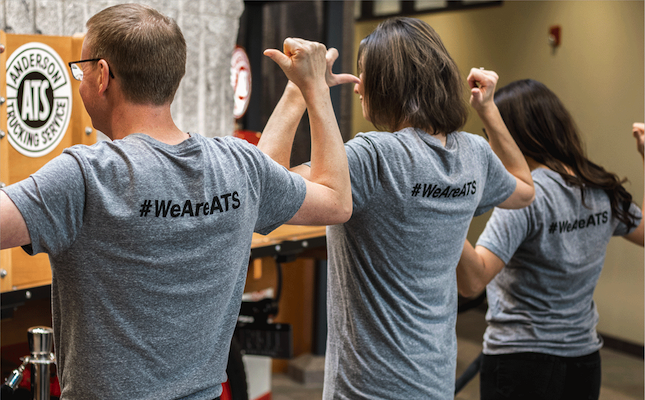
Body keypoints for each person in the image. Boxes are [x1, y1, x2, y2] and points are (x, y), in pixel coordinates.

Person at [0, 4, 354, 399]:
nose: (80, 82)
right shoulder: (239, 166)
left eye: (81, 70)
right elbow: (335, 201)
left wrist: (307, 88)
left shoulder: (87, 175)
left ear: (102, 75)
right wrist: (308, 89)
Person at [258, 17, 535, 399]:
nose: (358, 87)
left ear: (387, 85)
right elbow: (525, 190)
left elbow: (263, 192)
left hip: (367, 390)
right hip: (435, 382)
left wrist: (301, 88)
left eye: (364, 75)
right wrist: (487, 109)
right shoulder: (474, 154)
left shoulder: (375, 157)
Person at [456, 79, 644, 400]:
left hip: (521, 362)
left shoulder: (526, 199)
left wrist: (441, 211)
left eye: (492, 134)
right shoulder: (599, 187)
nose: (490, 146)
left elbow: (473, 281)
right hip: (583, 363)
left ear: (515, 136)